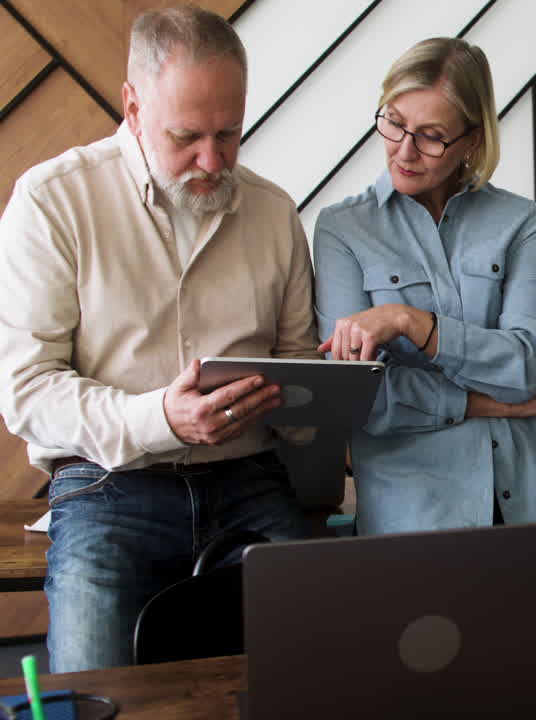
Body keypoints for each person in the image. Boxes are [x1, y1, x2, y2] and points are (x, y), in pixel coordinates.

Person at [0, 6, 318, 672]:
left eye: (230, 134)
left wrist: (327, 391)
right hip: (105, 484)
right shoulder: (53, 202)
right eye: (188, 136)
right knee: (98, 689)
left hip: (249, 478)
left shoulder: (273, 212)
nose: (213, 159)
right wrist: (157, 418)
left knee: (320, 668)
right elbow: (25, 391)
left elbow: (300, 387)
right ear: (132, 105)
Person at [313, 37, 536, 534]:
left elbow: (524, 365)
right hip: (416, 513)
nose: (405, 150)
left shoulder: (521, 223)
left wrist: (410, 323)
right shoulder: (342, 229)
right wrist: (498, 403)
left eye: (431, 135)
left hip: (533, 499)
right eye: (394, 122)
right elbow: (363, 398)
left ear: (472, 141)